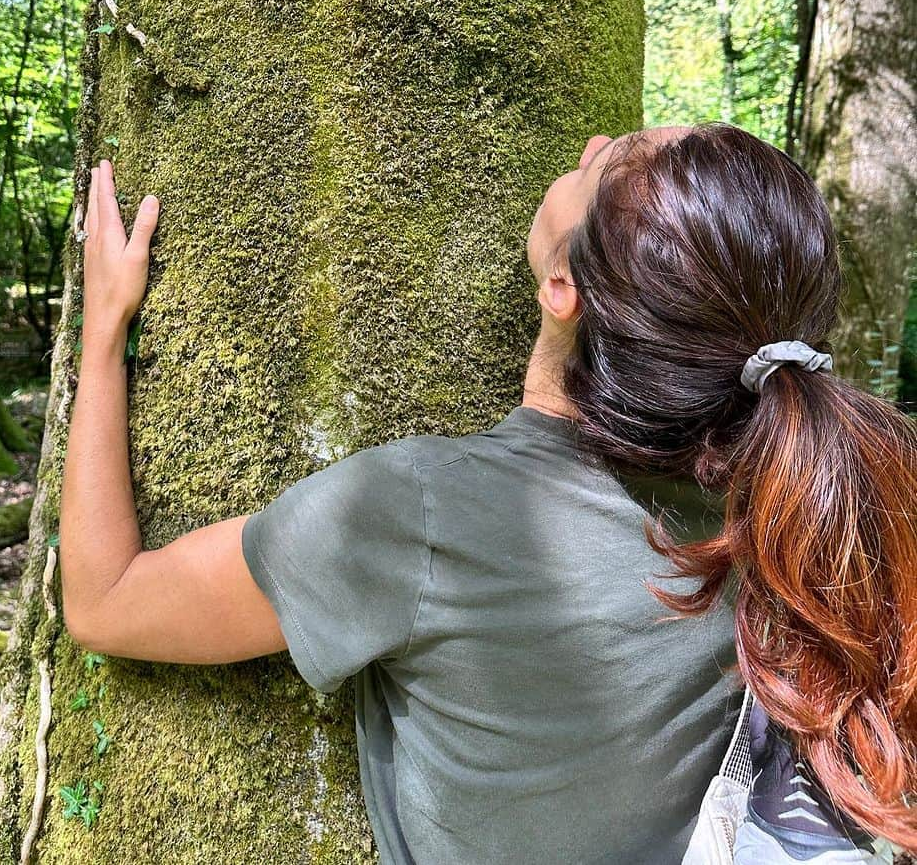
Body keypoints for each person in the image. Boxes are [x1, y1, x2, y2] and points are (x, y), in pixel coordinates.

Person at [59, 121, 917, 863]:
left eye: (595, 166)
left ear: (563, 288)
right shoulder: (805, 512)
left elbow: (107, 602)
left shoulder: (424, 514)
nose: (586, 145)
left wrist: (102, 331)